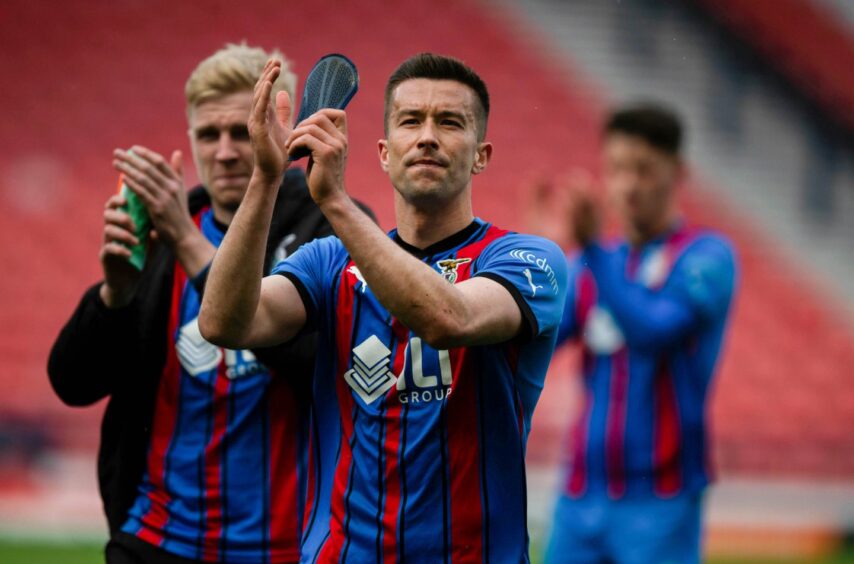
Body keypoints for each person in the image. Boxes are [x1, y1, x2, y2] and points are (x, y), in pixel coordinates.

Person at [198, 53, 568, 562]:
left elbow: (449, 319)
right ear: (383, 152)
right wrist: (265, 177)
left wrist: (336, 203)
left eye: (450, 122)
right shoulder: (329, 264)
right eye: (410, 121)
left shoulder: (526, 259)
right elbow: (223, 322)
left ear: (481, 155)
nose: (428, 137)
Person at [48, 43, 349, 563]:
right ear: (190, 139)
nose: (228, 151)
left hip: (289, 548)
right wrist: (114, 293)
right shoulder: (161, 232)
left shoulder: (329, 227)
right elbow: (71, 384)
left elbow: (322, 364)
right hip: (155, 539)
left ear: (280, 130)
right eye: (209, 134)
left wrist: (188, 242)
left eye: (243, 130)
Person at [534, 104, 738, 563]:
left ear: (678, 171)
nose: (627, 185)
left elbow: (652, 330)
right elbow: (535, 338)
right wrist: (538, 260)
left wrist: (587, 249)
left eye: (644, 170)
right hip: (581, 491)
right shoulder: (590, 264)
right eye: (616, 169)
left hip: (661, 498)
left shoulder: (706, 257)